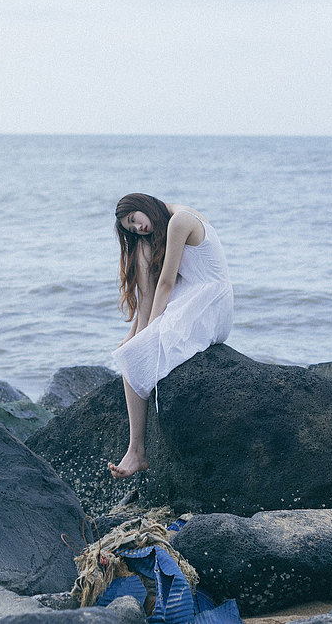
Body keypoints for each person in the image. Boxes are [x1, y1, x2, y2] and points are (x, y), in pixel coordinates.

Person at [107, 193, 233, 478]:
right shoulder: (161, 229)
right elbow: (150, 294)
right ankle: (135, 450)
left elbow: (166, 283)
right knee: (131, 351)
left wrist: (149, 336)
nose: (137, 228)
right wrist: (135, 335)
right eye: (130, 228)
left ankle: (136, 450)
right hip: (193, 297)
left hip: (210, 302)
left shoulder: (181, 220)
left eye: (133, 220)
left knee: (137, 354)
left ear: (143, 206)